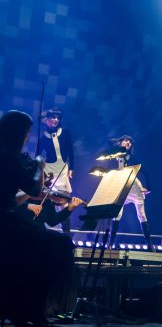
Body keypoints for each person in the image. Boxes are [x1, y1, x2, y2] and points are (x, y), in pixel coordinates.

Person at [0, 110, 74, 325]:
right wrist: (40, 166)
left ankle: (19, 305)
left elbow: (10, 198)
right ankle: (30, 307)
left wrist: (32, 197)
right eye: (27, 133)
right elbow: (33, 187)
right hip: (5, 225)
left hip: (5, 220)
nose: (27, 138)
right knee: (60, 245)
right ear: (20, 133)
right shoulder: (9, 158)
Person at [106, 135, 155, 251]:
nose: (128, 143)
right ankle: (110, 245)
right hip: (120, 187)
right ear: (121, 142)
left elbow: (145, 172)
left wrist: (148, 187)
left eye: (130, 142)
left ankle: (150, 246)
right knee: (116, 215)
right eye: (125, 140)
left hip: (134, 187)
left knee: (141, 215)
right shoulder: (113, 157)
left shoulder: (133, 158)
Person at [38, 106, 75, 235]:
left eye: (57, 118)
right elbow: (38, 155)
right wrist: (41, 171)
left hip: (63, 169)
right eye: (53, 117)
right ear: (47, 119)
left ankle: (66, 236)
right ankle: (48, 233)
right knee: (50, 200)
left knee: (63, 202)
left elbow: (71, 150)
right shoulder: (42, 137)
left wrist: (72, 167)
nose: (55, 120)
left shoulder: (66, 132)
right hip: (50, 170)